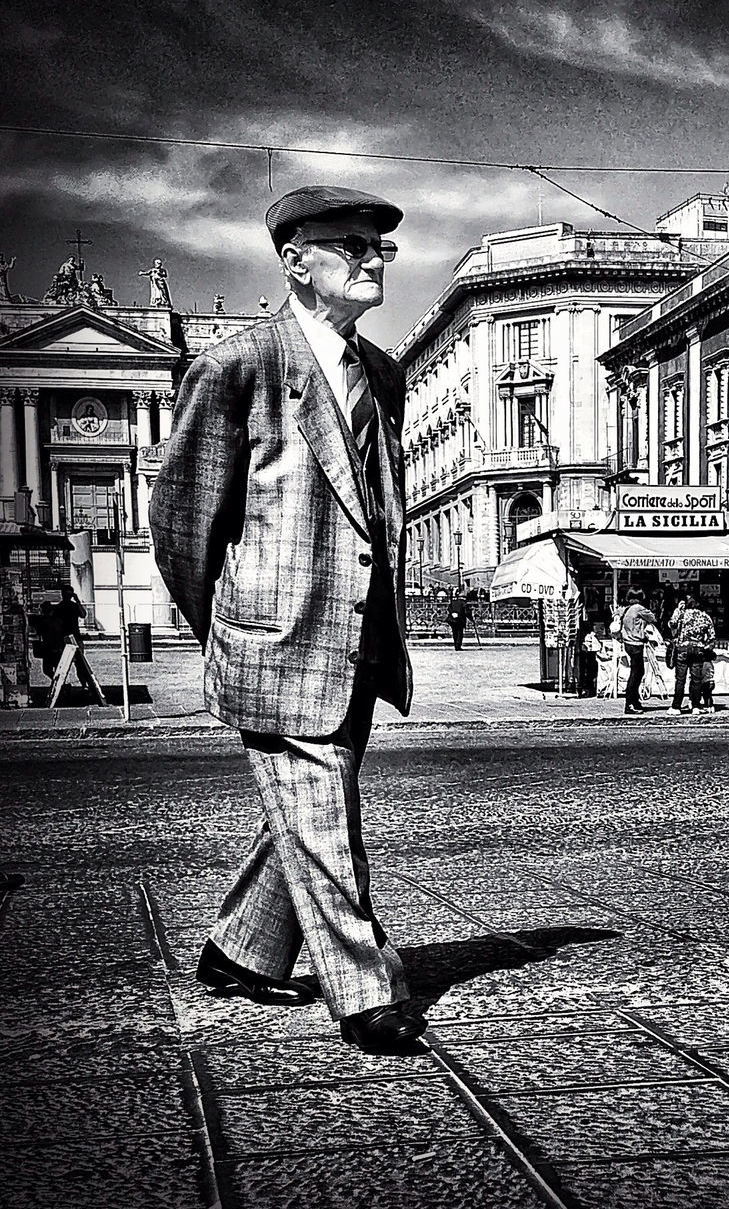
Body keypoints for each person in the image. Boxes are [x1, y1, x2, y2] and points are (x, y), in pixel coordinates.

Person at [150, 184, 423, 1054]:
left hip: (357, 640)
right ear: (296, 262)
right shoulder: (238, 366)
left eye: (380, 247)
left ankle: (239, 951)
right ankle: (366, 989)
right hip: (277, 637)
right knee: (323, 814)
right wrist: (232, 625)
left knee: (310, 809)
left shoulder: (381, 372)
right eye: (351, 244)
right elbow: (184, 521)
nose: (373, 258)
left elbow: (378, 506)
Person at [668, 592, 717, 715]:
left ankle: (676, 706)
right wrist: (704, 645)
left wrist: (678, 610)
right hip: (698, 649)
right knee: (696, 679)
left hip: (683, 649)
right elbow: (711, 637)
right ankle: (695, 706)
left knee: (680, 679)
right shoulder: (705, 616)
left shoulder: (682, 614)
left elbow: (671, 624)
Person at [617, 587, 658, 714]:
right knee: (636, 674)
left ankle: (635, 701)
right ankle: (630, 703)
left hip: (627, 642)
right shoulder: (638, 608)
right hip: (636, 643)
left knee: (637, 672)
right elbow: (653, 618)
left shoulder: (624, 609)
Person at [575, 616, 601, 697]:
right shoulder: (586, 635)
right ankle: (585, 687)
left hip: (587, 653)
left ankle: (585, 687)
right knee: (586, 669)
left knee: (587, 669)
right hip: (586, 653)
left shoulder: (589, 636)